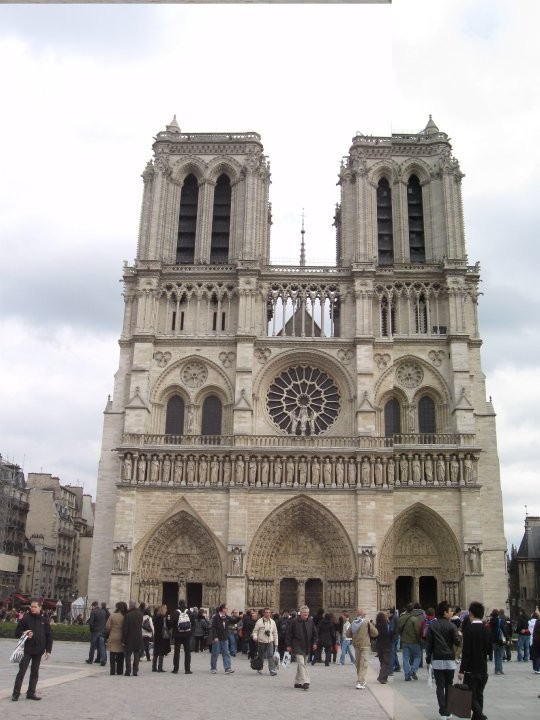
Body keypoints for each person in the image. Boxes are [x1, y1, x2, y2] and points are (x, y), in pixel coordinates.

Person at [425, 600, 461, 720]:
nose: (452, 613)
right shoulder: (452, 626)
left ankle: (442, 711)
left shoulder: (432, 626)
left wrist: (428, 658)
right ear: (445, 613)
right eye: (450, 611)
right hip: (449, 659)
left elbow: (429, 644)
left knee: (440, 686)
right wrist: (459, 636)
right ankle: (448, 710)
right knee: (449, 685)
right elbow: (457, 642)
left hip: (437, 659)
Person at [12, 599, 52, 701]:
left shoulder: (44, 620)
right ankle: (15, 693)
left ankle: (31, 693)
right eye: (32, 607)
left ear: (40, 608)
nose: (33, 608)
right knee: (22, 672)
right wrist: (24, 633)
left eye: (35, 607)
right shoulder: (25, 619)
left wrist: (48, 650)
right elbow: (17, 633)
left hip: (39, 650)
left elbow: (49, 636)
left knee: (35, 672)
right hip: (27, 650)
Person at [458, 601, 492, 720]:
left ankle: (481, 716)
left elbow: (466, 652)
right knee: (479, 694)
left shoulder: (469, 630)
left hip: (471, 669)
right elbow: (489, 650)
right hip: (483, 668)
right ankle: (477, 718)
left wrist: (462, 670)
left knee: (470, 696)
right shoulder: (486, 629)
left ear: (471, 614)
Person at [286, 605, 318, 690]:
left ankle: (297, 682)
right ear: (300, 613)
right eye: (304, 612)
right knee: (301, 663)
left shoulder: (311, 621)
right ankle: (306, 681)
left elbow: (315, 633)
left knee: (302, 664)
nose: (306, 614)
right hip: (297, 645)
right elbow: (289, 634)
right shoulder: (295, 622)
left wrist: (314, 643)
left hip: (307, 645)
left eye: (307, 612)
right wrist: (289, 645)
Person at [346, 608, 378, 690]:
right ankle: (360, 682)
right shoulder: (366, 623)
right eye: (365, 615)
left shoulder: (353, 623)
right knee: (364, 664)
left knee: (358, 664)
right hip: (365, 645)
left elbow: (347, 634)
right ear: (363, 615)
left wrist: (355, 636)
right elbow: (375, 633)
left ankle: (361, 680)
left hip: (356, 646)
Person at [397, 602, 423, 681]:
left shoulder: (401, 618)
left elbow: (398, 629)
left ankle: (406, 675)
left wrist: (402, 636)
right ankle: (413, 670)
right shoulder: (414, 619)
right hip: (414, 641)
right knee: (418, 656)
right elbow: (418, 631)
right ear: (412, 611)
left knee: (405, 658)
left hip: (404, 641)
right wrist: (419, 640)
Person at [169, 599, 195, 674]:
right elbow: (193, 623)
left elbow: (171, 623)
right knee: (187, 652)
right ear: (185, 604)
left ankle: (175, 669)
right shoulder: (189, 612)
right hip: (187, 635)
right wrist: (190, 631)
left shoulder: (175, 613)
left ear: (179, 604)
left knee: (176, 652)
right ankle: (187, 669)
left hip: (177, 635)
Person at [252, 606, 279, 675]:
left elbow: (275, 633)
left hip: (270, 641)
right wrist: (255, 637)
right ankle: (259, 668)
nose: (268, 614)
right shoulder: (259, 621)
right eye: (266, 612)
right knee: (261, 656)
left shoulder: (272, 622)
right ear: (263, 613)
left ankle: (272, 670)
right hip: (261, 641)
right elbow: (255, 631)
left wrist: (276, 643)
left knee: (270, 655)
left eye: (269, 612)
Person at [210, 603, 235, 674]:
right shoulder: (216, 617)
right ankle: (213, 668)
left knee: (226, 653)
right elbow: (213, 627)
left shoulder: (226, 616)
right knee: (215, 653)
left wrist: (239, 617)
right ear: (223, 609)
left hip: (224, 638)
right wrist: (215, 637)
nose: (227, 609)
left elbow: (233, 621)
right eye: (226, 608)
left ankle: (227, 668)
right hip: (217, 638)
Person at [122, 600, 144, 676]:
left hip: (129, 638)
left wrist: (123, 640)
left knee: (128, 655)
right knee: (136, 654)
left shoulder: (128, 615)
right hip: (138, 637)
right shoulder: (140, 614)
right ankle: (135, 671)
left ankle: (128, 671)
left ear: (130, 606)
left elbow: (125, 629)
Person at [106, 601, 127, 676]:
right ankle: (119, 670)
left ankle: (112, 671)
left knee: (112, 653)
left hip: (113, 635)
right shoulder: (125, 616)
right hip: (121, 636)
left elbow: (108, 626)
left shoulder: (112, 615)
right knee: (121, 654)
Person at [86, 600, 107, 666]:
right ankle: (103, 660)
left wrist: (91, 630)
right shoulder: (103, 611)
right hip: (102, 631)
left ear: (93, 606)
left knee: (93, 646)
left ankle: (90, 659)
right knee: (102, 646)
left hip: (95, 631)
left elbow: (91, 623)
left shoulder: (93, 612)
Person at [152, 605, 171, 672]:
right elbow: (168, 626)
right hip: (162, 636)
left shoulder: (155, 617)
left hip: (156, 635)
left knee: (156, 652)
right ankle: (160, 667)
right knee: (161, 652)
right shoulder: (164, 618)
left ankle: (154, 667)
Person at [374, 610, 392, 684]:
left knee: (382, 662)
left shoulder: (376, 626)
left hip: (379, 646)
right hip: (386, 645)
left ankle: (384, 678)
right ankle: (381, 677)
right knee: (386, 662)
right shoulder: (387, 625)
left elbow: (374, 636)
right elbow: (390, 634)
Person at [487, 608, 505, 675]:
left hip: (493, 640)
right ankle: (499, 670)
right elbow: (504, 631)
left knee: (496, 655)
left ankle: (496, 670)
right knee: (500, 656)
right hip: (500, 640)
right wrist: (507, 639)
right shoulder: (501, 621)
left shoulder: (490, 621)